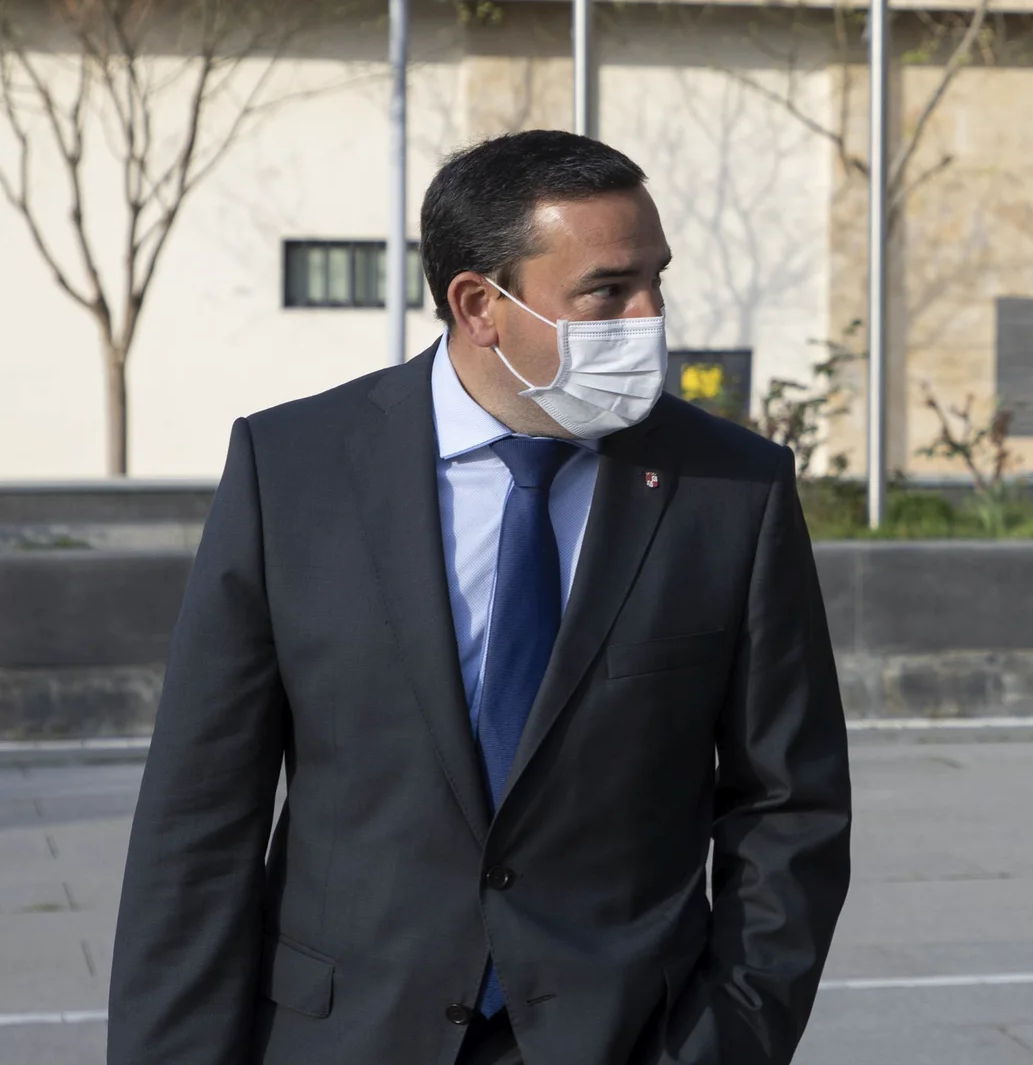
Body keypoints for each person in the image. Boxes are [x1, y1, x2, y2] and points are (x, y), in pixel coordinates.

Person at [108, 131, 852, 1065]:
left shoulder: (731, 488)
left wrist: (724, 1041)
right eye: (608, 290)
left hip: (628, 1035)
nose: (651, 315)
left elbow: (789, 806)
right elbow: (200, 812)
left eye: (658, 279)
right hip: (348, 1033)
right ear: (480, 305)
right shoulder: (292, 470)